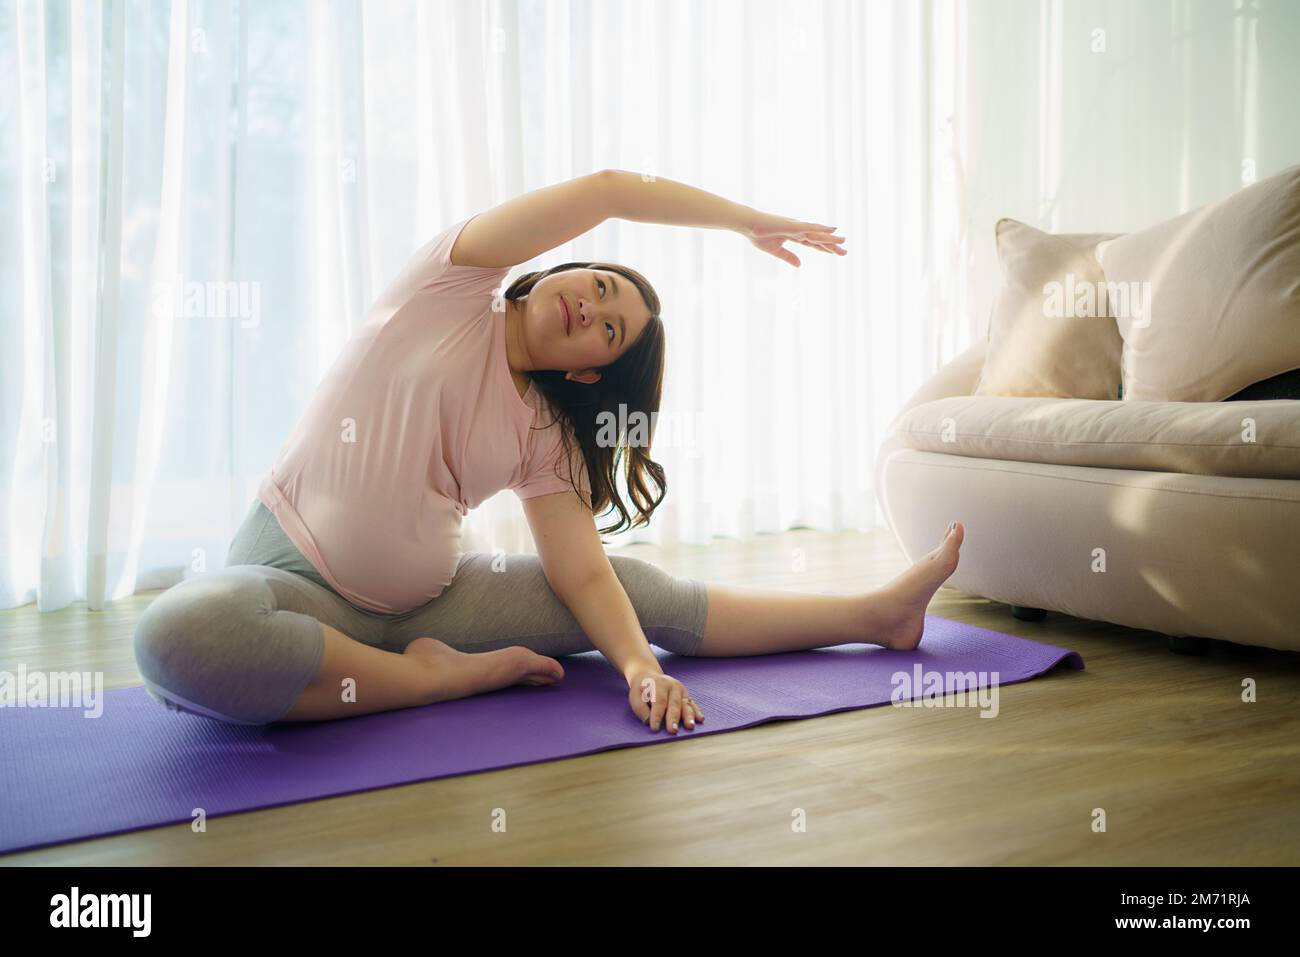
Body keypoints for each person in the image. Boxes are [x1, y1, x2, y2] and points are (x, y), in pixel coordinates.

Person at [133, 169, 963, 735]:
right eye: (600, 288)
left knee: (633, 589)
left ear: (588, 367)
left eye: (611, 330)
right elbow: (608, 190)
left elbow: (581, 574)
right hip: (294, 581)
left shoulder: (549, 432)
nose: (593, 310)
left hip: (430, 609)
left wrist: (640, 669)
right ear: (562, 273)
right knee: (179, 632)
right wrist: (743, 218)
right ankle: (435, 680)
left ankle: (875, 615)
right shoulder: (449, 284)